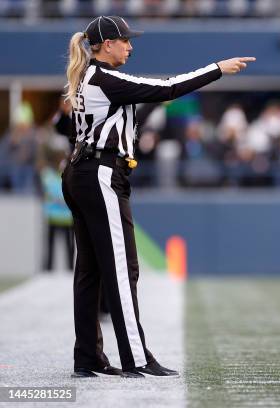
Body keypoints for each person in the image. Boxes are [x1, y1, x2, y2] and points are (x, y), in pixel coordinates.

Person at [61, 15, 255, 378]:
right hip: (100, 175)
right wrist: (217, 69)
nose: (130, 47)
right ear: (106, 45)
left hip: (82, 173)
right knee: (121, 269)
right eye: (125, 41)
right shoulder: (105, 77)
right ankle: (135, 357)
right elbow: (167, 88)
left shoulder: (89, 76)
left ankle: (87, 356)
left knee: (90, 270)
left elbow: (133, 106)